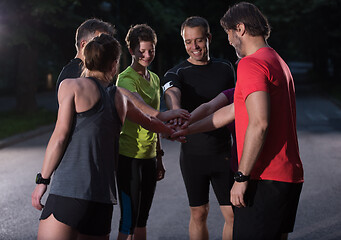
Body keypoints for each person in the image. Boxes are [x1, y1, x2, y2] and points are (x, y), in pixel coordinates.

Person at [31, 34, 175, 240]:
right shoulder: (120, 97)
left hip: (68, 192)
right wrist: (174, 131)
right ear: (114, 64)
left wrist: (42, 180)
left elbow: (59, 137)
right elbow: (150, 122)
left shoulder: (71, 86)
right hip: (102, 200)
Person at [219, 2, 304, 239]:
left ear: (240, 28)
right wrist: (187, 127)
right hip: (287, 176)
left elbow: (259, 123)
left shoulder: (250, 63)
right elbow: (234, 111)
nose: (229, 41)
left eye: (229, 33)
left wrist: (241, 176)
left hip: (264, 177)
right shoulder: (277, 61)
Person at [162, 16, 235, 240]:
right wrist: (175, 111)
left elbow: (236, 105)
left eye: (199, 40)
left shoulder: (226, 68)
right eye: (188, 42)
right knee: (198, 213)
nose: (194, 47)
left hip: (224, 153)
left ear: (209, 38)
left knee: (232, 215)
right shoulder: (177, 72)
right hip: (193, 156)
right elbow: (172, 91)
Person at [115, 24, 170, 240]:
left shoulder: (155, 79)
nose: (147, 55)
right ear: (131, 51)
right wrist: (168, 125)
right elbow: (146, 114)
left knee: (142, 218)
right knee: (128, 218)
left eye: (151, 50)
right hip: (128, 156)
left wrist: (159, 157)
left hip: (148, 157)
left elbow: (154, 119)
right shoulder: (125, 79)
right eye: (142, 51)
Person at [55, 18, 116, 94]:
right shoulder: (75, 74)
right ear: (83, 45)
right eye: (98, 42)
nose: (105, 49)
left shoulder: (79, 71)